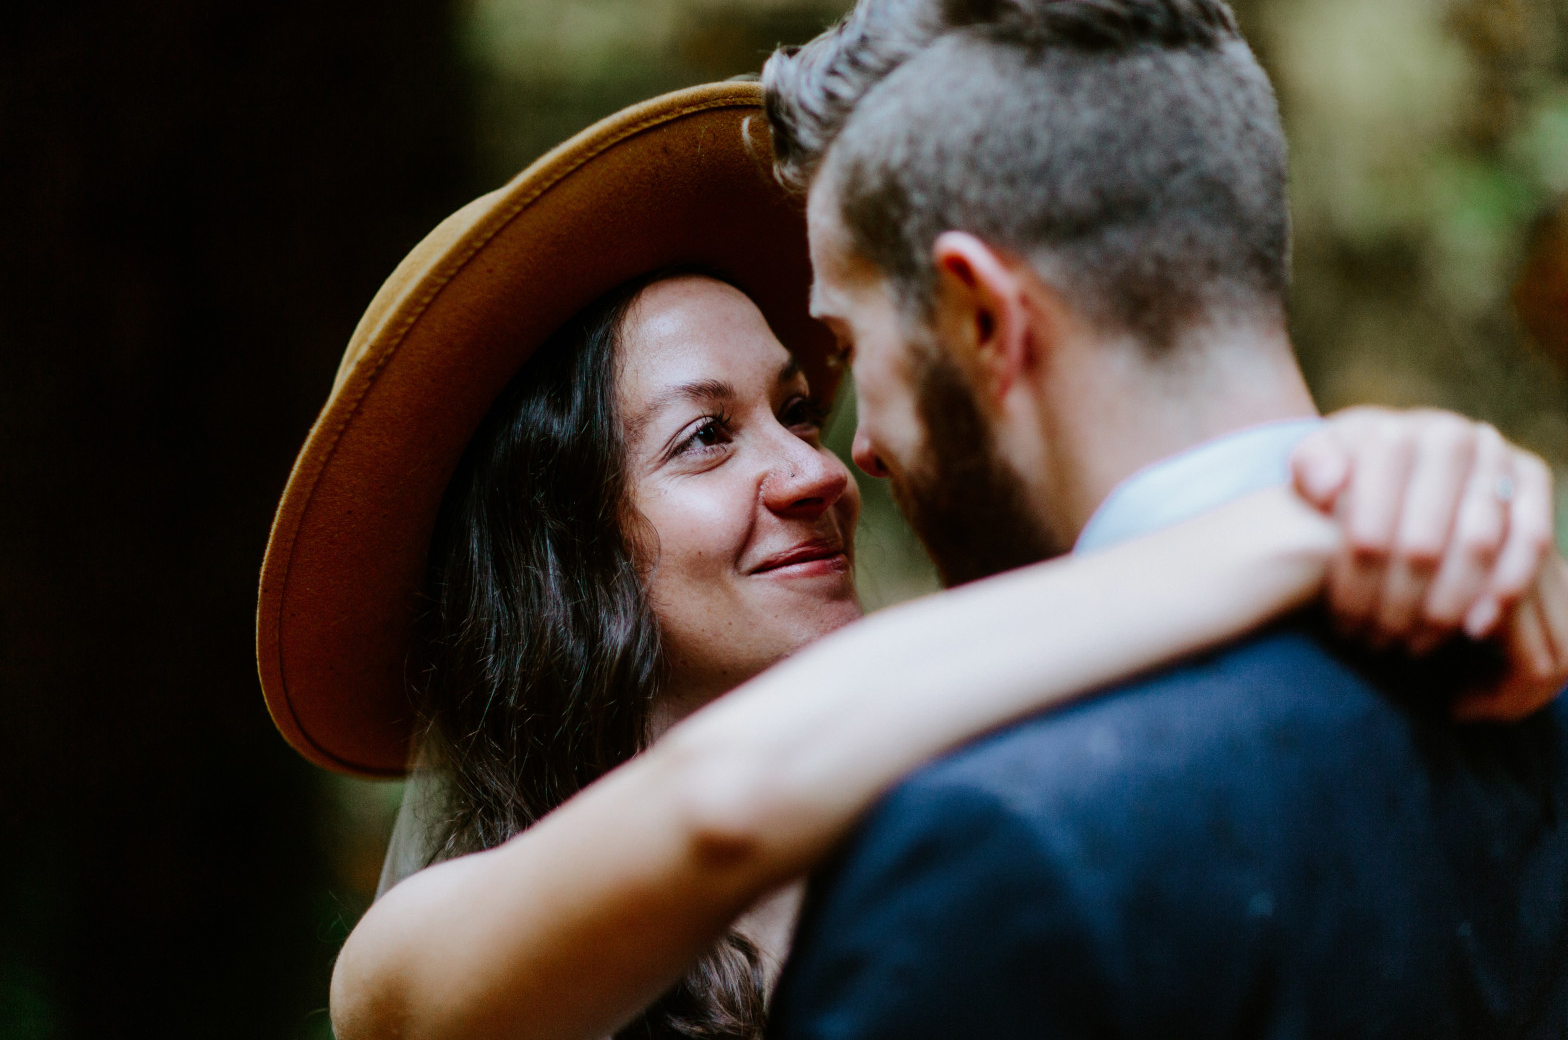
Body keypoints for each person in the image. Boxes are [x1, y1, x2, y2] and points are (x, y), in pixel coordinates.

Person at [253, 89, 1567, 1040]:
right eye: (708, 436)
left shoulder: (981, 819)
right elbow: (722, 804)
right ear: (551, 549)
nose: (820, 469)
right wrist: (1264, 521)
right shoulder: (409, 965)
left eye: (797, 408)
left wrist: (1405, 477)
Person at [752, 0, 1568, 1036]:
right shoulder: (1536, 677)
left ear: (981, 319)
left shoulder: (991, 842)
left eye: (857, 348)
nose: (858, 448)